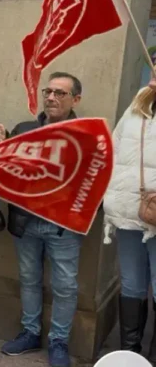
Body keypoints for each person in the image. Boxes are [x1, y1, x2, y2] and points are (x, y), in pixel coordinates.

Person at [0, 73, 84, 367]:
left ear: (76, 100)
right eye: (48, 91)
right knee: (29, 279)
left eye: (60, 93)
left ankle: (59, 341)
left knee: (65, 286)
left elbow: (95, 181)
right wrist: (1, 144)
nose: (51, 97)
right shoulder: (24, 130)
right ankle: (31, 333)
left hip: (63, 227)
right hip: (26, 222)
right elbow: (8, 171)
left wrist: (81, 214)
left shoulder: (85, 135)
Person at [102, 71, 156, 362]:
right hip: (127, 210)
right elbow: (114, 151)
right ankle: (130, 356)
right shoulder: (138, 104)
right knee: (132, 285)